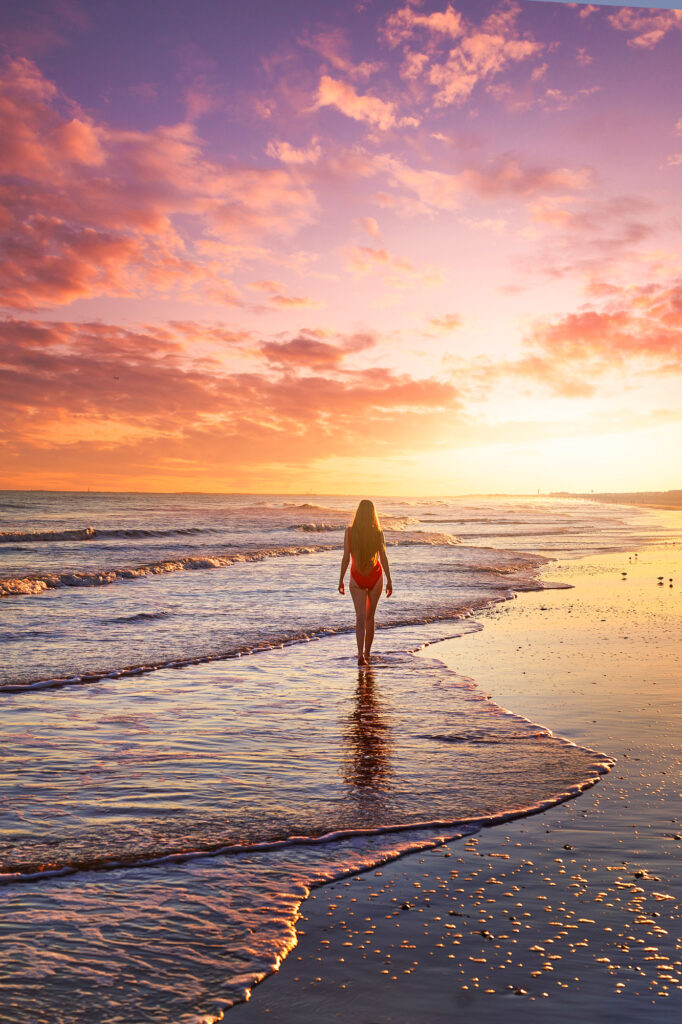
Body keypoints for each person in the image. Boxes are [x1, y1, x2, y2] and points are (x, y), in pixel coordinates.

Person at [338, 499, 393, 666]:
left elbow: (346, 558)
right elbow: (383, 558)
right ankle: (367, 655)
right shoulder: (378, 533)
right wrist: (389, 580)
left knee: (360, 618)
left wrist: (340, 580)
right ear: (372, 514)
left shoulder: (349, 532)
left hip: (356, 577)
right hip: (375, 577)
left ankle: (360, 655)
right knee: (370, 618)